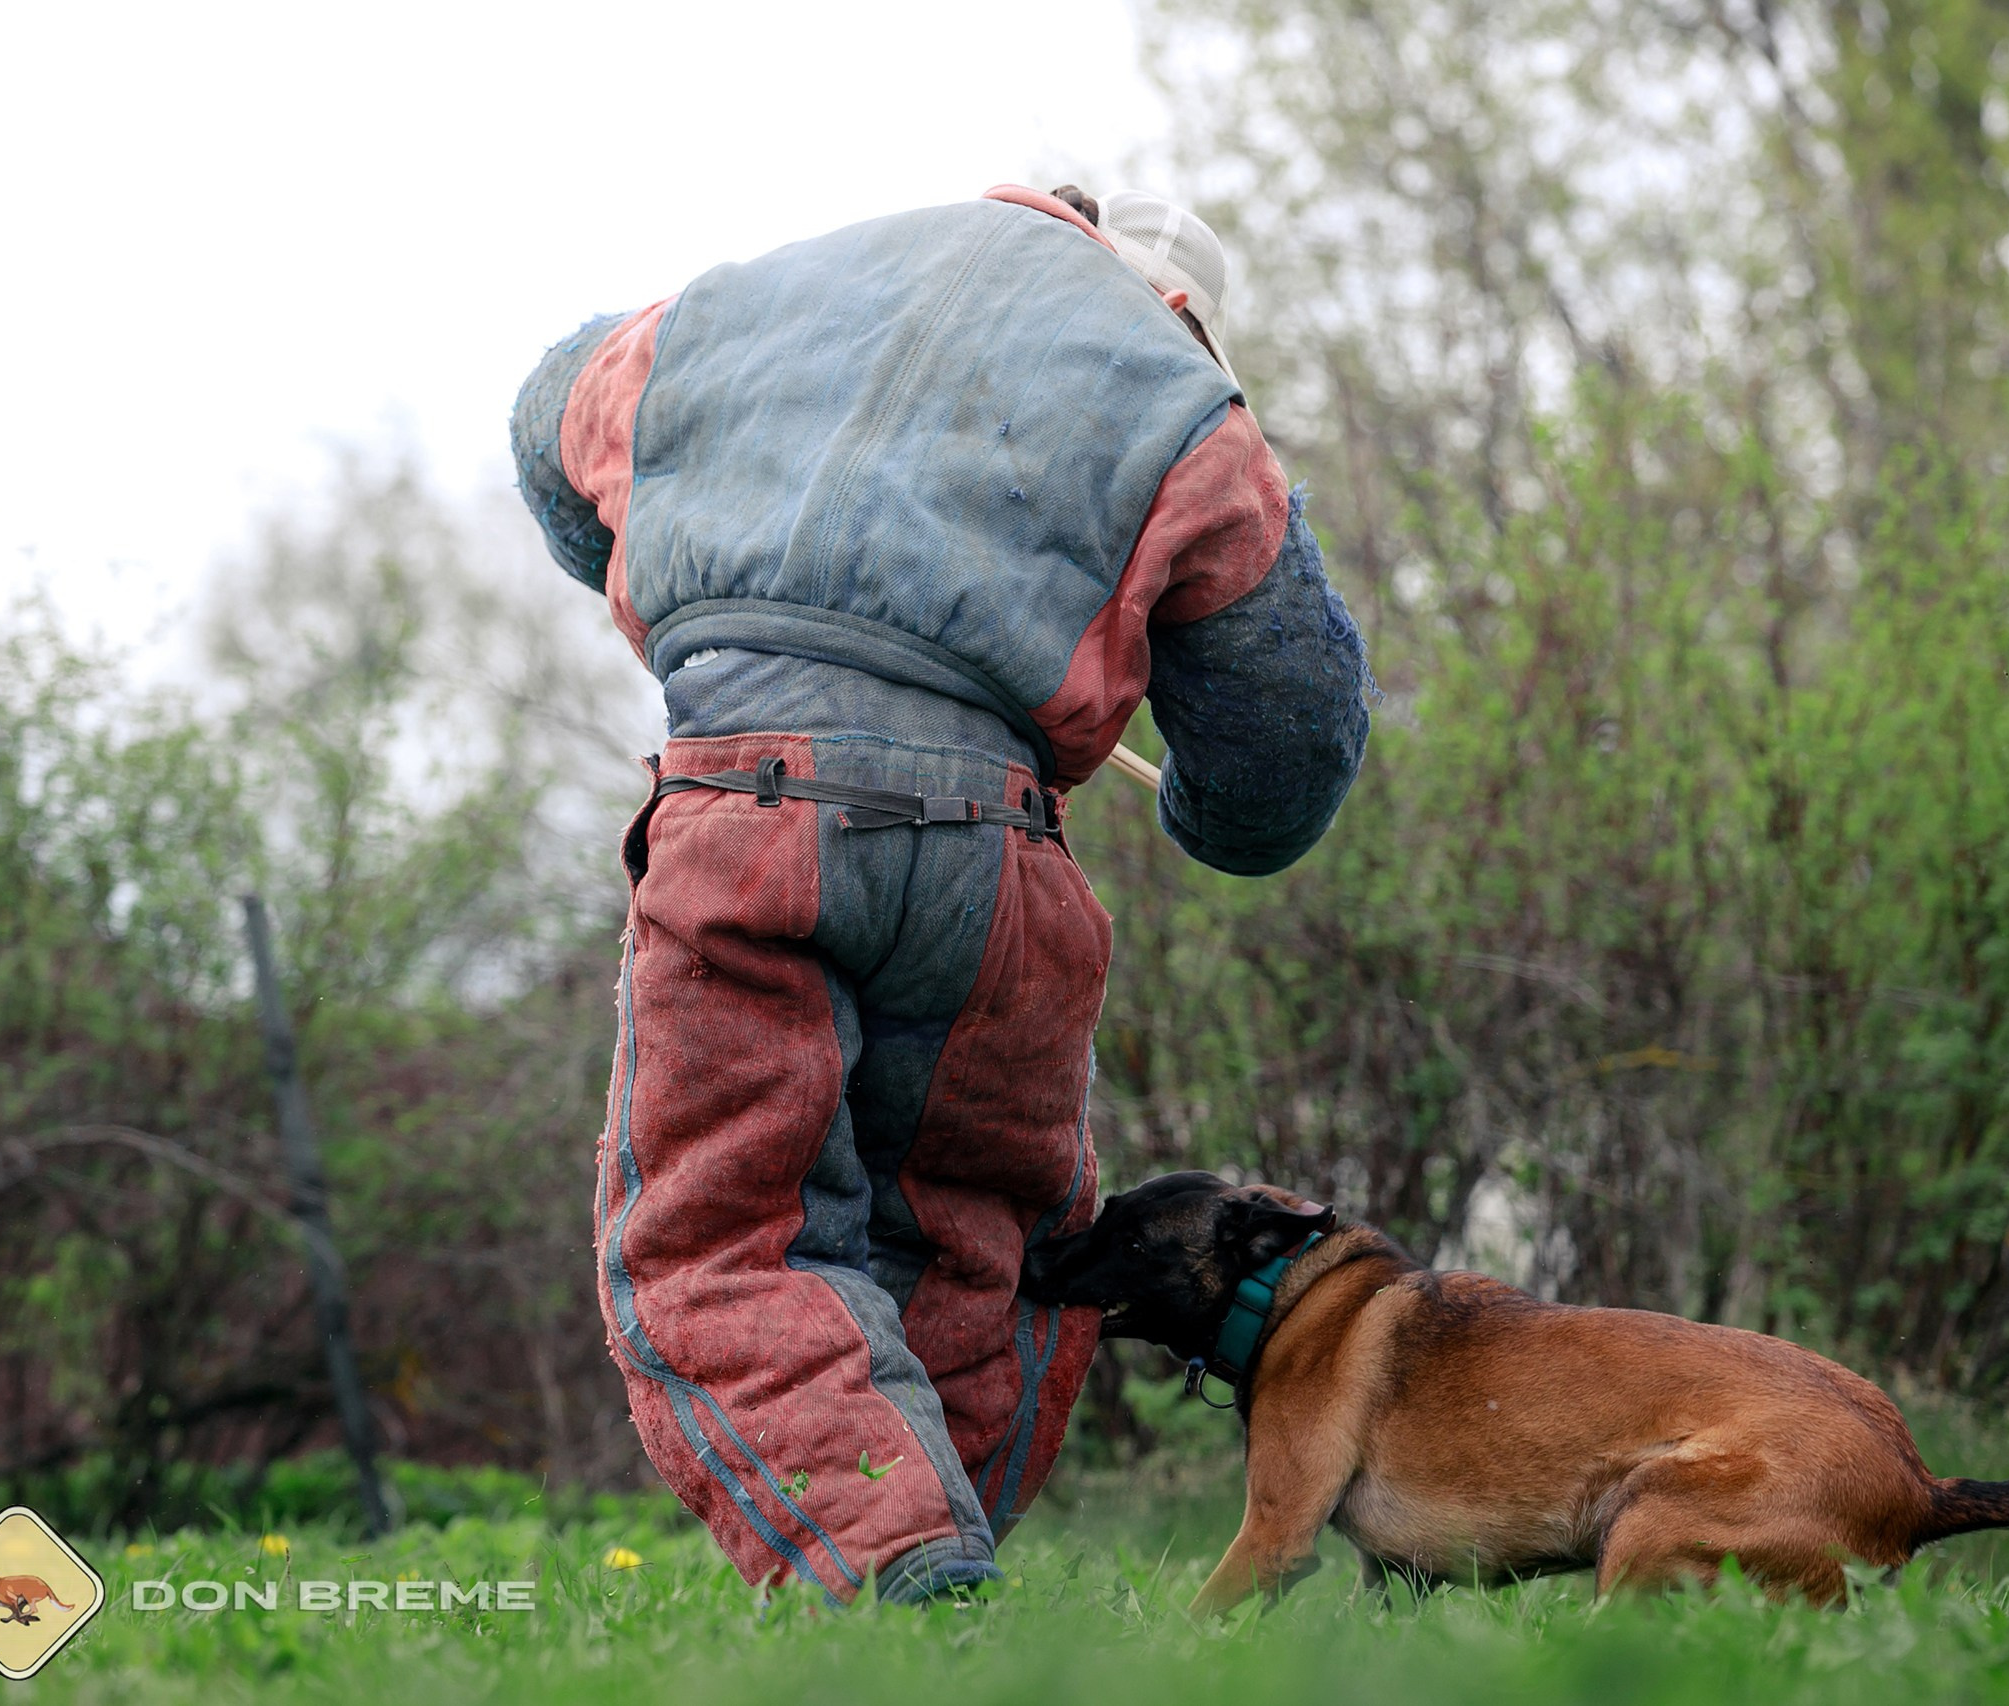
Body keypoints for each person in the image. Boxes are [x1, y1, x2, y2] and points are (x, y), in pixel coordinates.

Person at [510, 183, 1370, 1603]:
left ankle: (901, 1579)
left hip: (743, 814)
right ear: (1185, 314)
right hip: (997, 860)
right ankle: (926, 1580)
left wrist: (672, 588)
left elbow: (552, 417)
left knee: (722, 1236)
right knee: (982, 1255)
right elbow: (1286, 744)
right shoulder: (1186, 404)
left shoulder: (748, 302)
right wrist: (1209, 805)